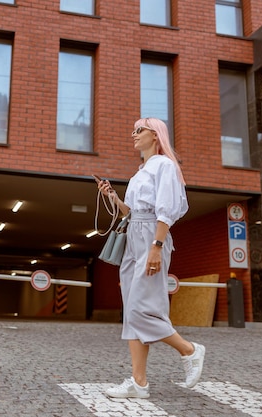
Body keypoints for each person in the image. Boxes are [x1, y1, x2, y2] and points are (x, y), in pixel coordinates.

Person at [97, 117, 205, 399]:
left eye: (139, 130)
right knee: (131, 311)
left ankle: (189, 350)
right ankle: (139, 382)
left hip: (150, 237)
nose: (133, 134)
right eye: (133, 129)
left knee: (141, 308)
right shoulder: (139, 172)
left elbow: (166, 209)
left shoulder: (165, 166)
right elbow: (130, 212)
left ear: (155, 135)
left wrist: (156, 245)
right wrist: (112, 197)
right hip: (134, 235)